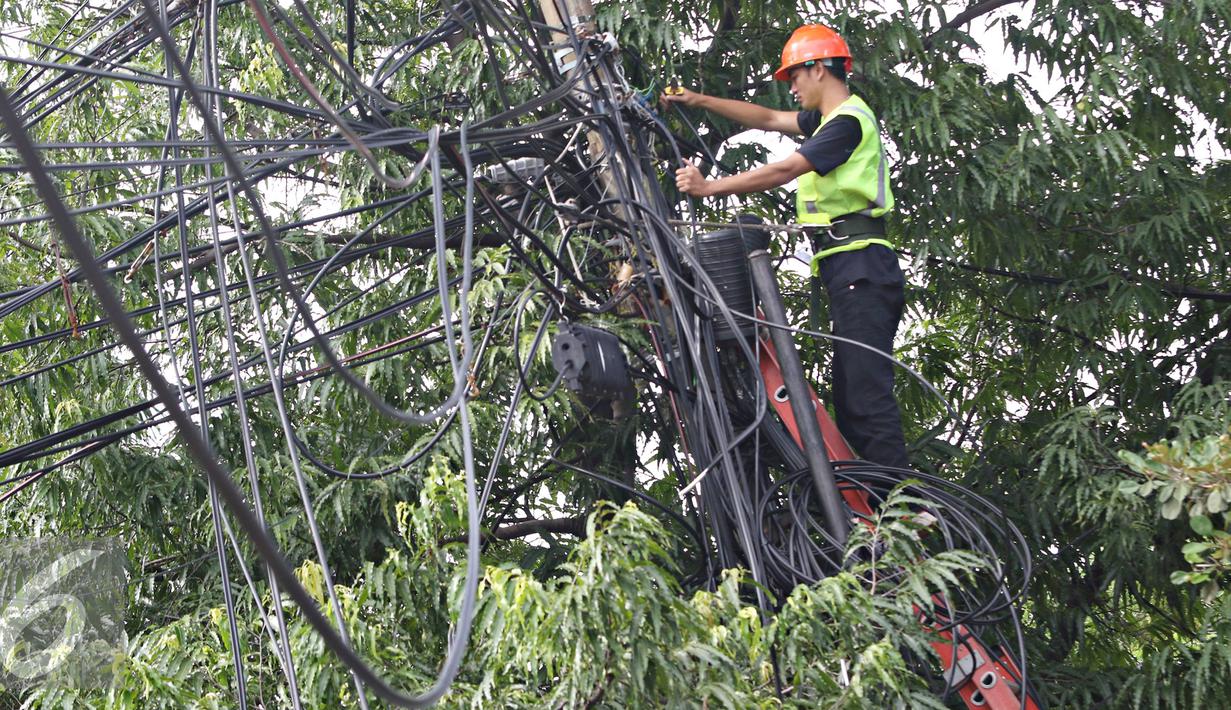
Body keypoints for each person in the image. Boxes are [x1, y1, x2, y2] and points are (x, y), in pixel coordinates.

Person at [662, 24, 909, 469]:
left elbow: (785, 170)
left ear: (818, 69)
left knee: (865, 395)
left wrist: (709, 187)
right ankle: (880, 504)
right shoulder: (831, 120)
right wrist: (698, 100)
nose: (790, 86)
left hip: (862, 265)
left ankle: (904, 508)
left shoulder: (848, 123)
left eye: (794, 76)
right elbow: (768, 119)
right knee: (851, 397)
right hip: (847, 268)